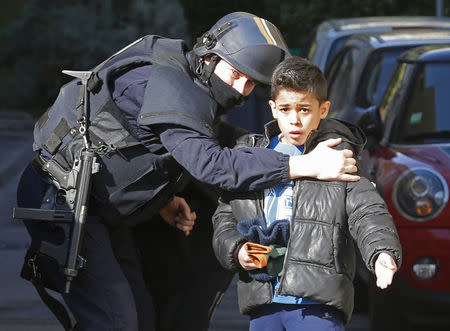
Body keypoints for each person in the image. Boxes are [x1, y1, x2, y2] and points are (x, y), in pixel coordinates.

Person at [16, 12, 360, 331]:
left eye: (252, 83)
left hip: (104, 208)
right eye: (236, 75)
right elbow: (213, 164)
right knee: (114, 320)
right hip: (65, 200)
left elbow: (146, 142)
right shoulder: (167, 85)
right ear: (209, 58)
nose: (241, 90)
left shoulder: (187, 79)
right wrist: (302, 164)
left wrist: (161, 196)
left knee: (143, 315)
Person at [212, 56, 402, 331]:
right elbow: (226, 216)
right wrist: (237, 248)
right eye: (286, 109)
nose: (295, 120)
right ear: (273, 109)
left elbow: (368, 210)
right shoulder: (253, 158)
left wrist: (381, 251)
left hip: (318, 305)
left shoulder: (338, 157)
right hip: (264, 299)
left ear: (323, 110)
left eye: (304, 109)